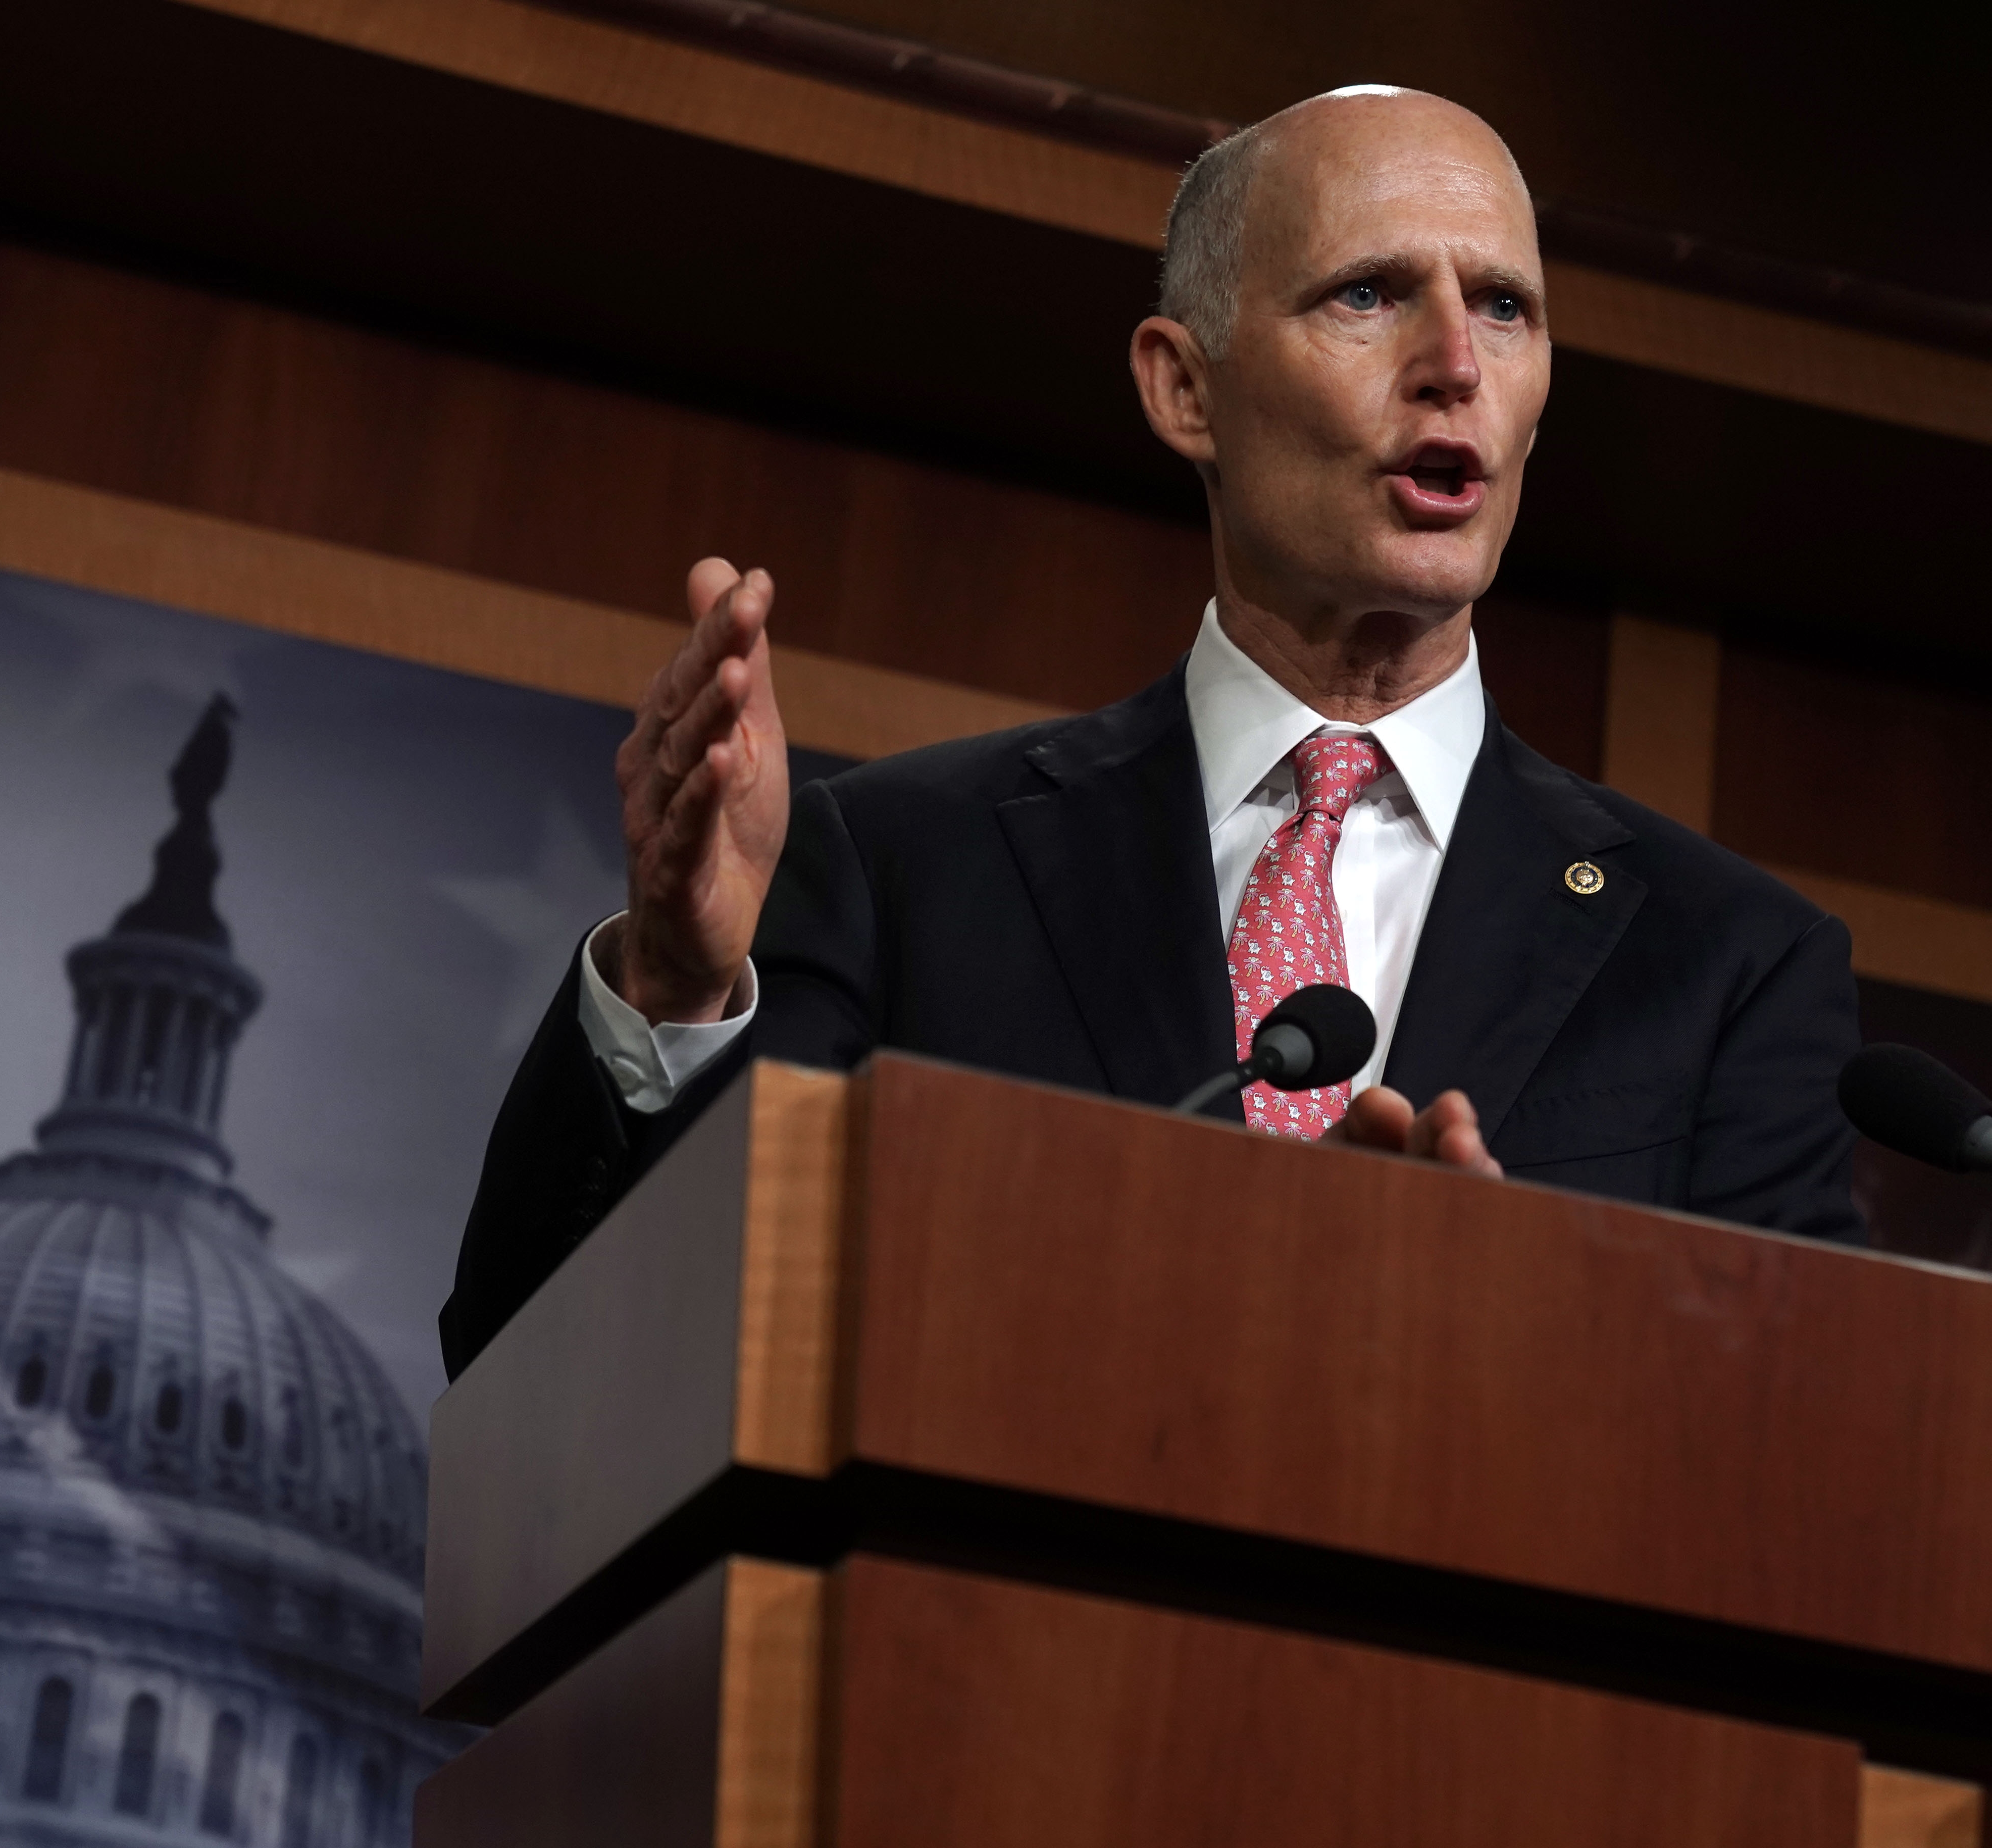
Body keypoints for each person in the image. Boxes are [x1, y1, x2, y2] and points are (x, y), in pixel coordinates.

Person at [440, 86, 1862, 1379]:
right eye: (1368, 294)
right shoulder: (901, 865)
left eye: (1502, 306)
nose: (1452, 363)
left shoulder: (1724, 964)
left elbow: (1791, 1461)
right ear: (1184, 389)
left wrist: (1497, 1336)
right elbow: (534, 1352)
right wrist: (678, 993)